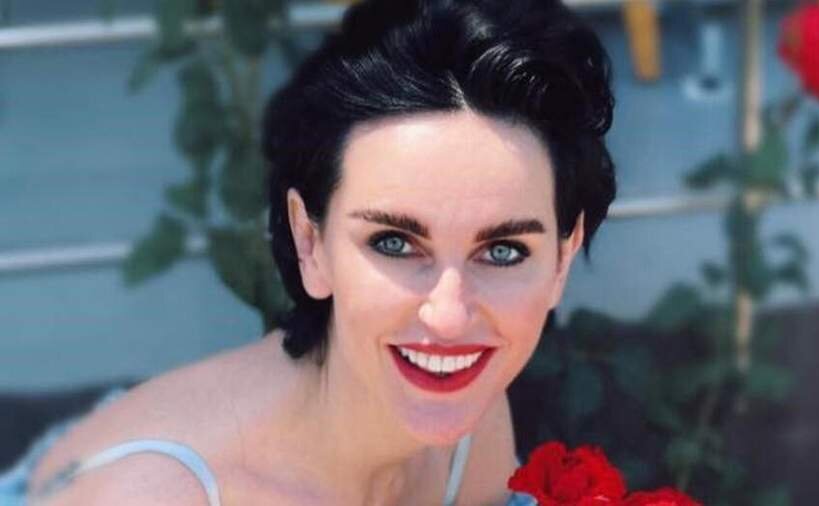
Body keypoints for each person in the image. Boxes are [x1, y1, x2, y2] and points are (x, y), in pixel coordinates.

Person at [14, 0, 615, 503]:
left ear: (562, 260)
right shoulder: (156, 494)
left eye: (504, 251)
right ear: (310, 242)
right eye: (394, 243)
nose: (450, 318)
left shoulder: (469, 423)